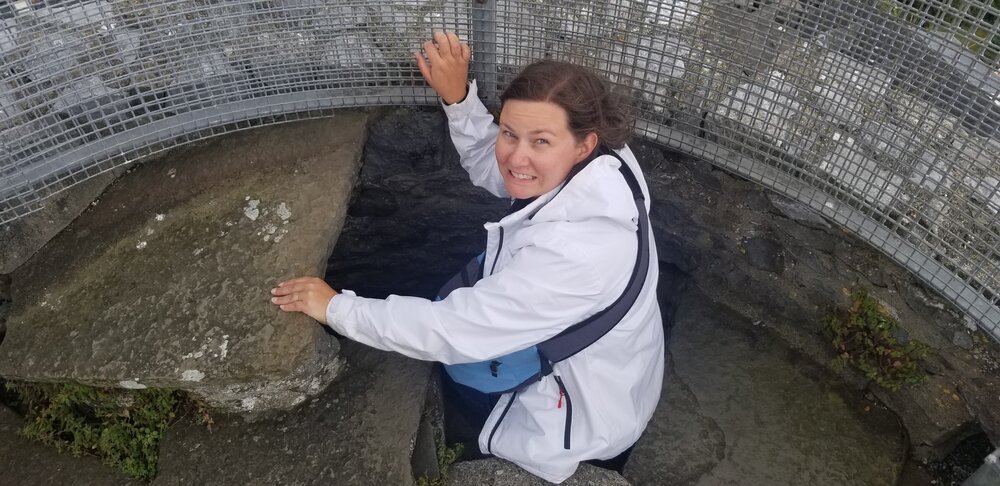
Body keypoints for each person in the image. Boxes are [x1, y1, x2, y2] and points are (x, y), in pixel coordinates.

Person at [270, 31, 664, 484]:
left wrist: (336, 308)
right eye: (510, 132)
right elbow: (506, 173)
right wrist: (459, 100)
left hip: (576, 414)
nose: (517, 154)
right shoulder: (610, 164)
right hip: (619, 371)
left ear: (582, 144)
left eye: (541, 141)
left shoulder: (575, 257)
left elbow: (450, 332)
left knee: (462, 387)